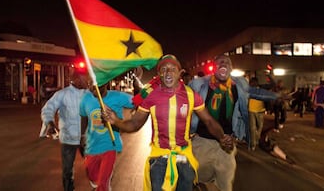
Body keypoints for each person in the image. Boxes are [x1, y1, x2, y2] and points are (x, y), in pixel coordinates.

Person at [103, 54, 234, 191]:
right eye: (164, 69)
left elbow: (209, 121)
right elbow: (135, 123)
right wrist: (116, 121)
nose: (168, 72)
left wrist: (222, 137)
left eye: (172, 68)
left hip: (184, 157)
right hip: (159, 158)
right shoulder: (151, 96)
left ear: (180, 73)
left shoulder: (191, 95)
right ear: (159, 74)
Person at [188, 54, 278, 191]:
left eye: (227, 62)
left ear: (231, 68)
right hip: (202, 143)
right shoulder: (199, 84)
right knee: (197, 181)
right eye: (220, 62)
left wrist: (276, 96)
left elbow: (255, 92)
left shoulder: (239, 84)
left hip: (227, 145)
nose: (224, 63)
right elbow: (181, 97)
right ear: (214, 67)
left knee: (225, 185)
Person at [79, 81, 135, 191]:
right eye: (90, 84)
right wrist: (82, 136)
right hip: (92, 145)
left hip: (110, 144)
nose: (94, 87)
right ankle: (97, 183)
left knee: (103, 182)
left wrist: (137, 83)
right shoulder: (86, 99)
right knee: (91, 174)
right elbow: (84, 117)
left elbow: (138, 101)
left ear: (106, 83)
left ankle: (103, 185)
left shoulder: (117, 96)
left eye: (98, 84)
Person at [40, 70, 89, 191]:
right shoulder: (62, 94)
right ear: (76, 79)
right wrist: (50, 122)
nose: (87, 81)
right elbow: (48, 109)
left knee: (93, 166)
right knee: (67, 170)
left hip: (87, 138)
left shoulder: (90, 94)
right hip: (68, 139)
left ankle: (97, 185)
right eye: (84, 78)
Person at [248, 77, 266, 151]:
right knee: (252, 128)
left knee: (259, 127)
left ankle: (256, 139)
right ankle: (253, 144)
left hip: (260, 111)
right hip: (251, 110)